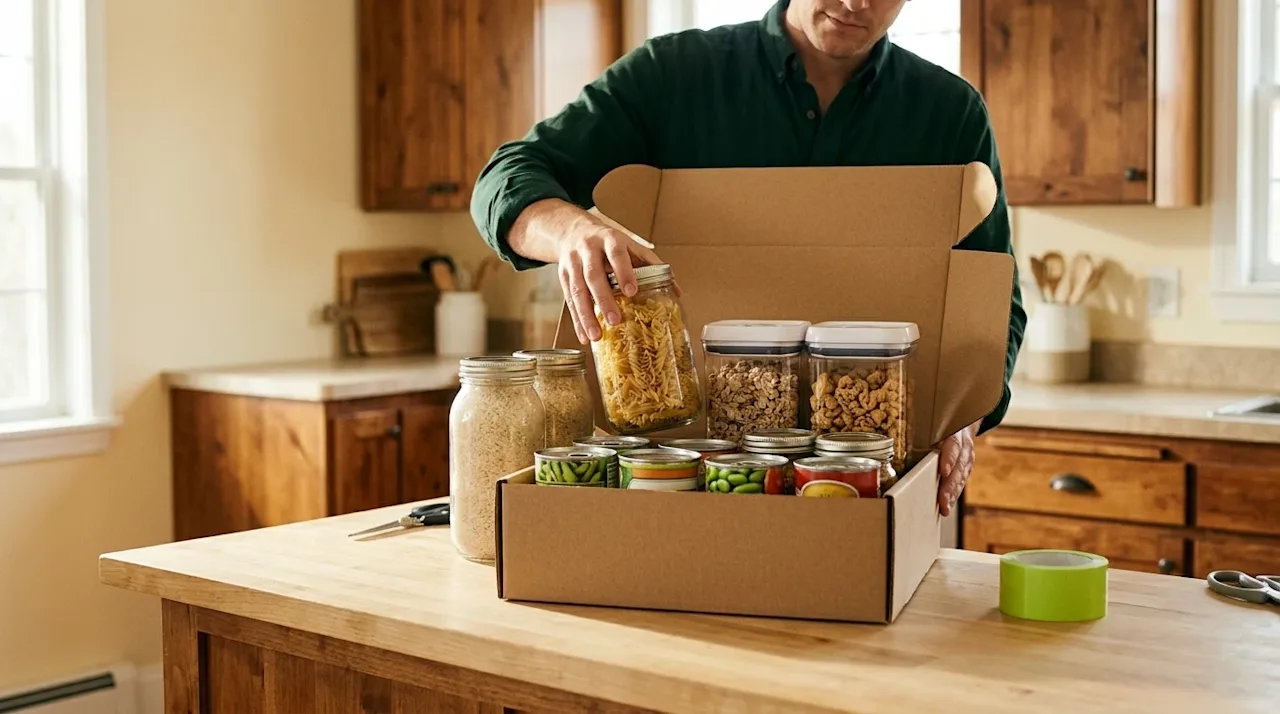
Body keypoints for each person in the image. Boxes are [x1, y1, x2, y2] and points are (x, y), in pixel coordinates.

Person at [470, 0, 1026, 517]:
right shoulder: (674, 75)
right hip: (684, 476)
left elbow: (995, 305)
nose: (858, 3)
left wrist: (962, 416)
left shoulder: (948, 112)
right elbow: (506, 176)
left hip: (879, 474)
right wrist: (569, 230)